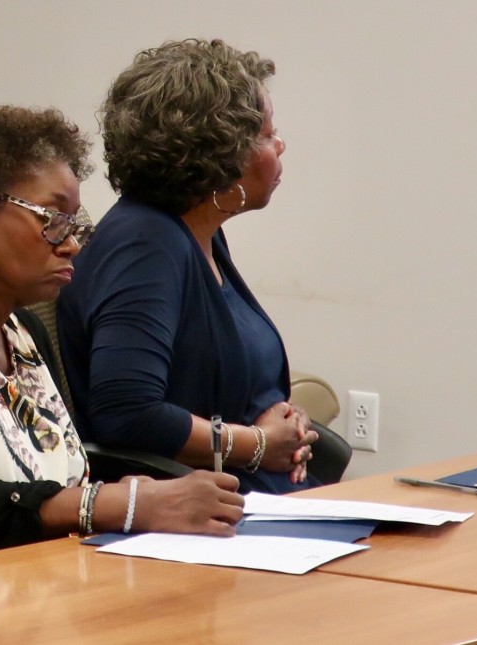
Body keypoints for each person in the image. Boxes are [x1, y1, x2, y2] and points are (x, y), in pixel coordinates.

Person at [0, 106, 245, 557]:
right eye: (51, 220)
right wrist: (117, 504)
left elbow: (61, 478)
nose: (70, 244)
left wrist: (136, 492)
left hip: (49, 578)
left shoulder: (24, 330)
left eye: (75, 226)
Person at [56, 39, 318, 495]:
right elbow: (127, 412)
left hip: (258, 500)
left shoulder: (201, 233)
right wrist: (257, 444)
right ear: (221, 154)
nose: (280, 145)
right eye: (265, 135)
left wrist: (289, 429)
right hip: (196, 517)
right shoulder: (143, 245)